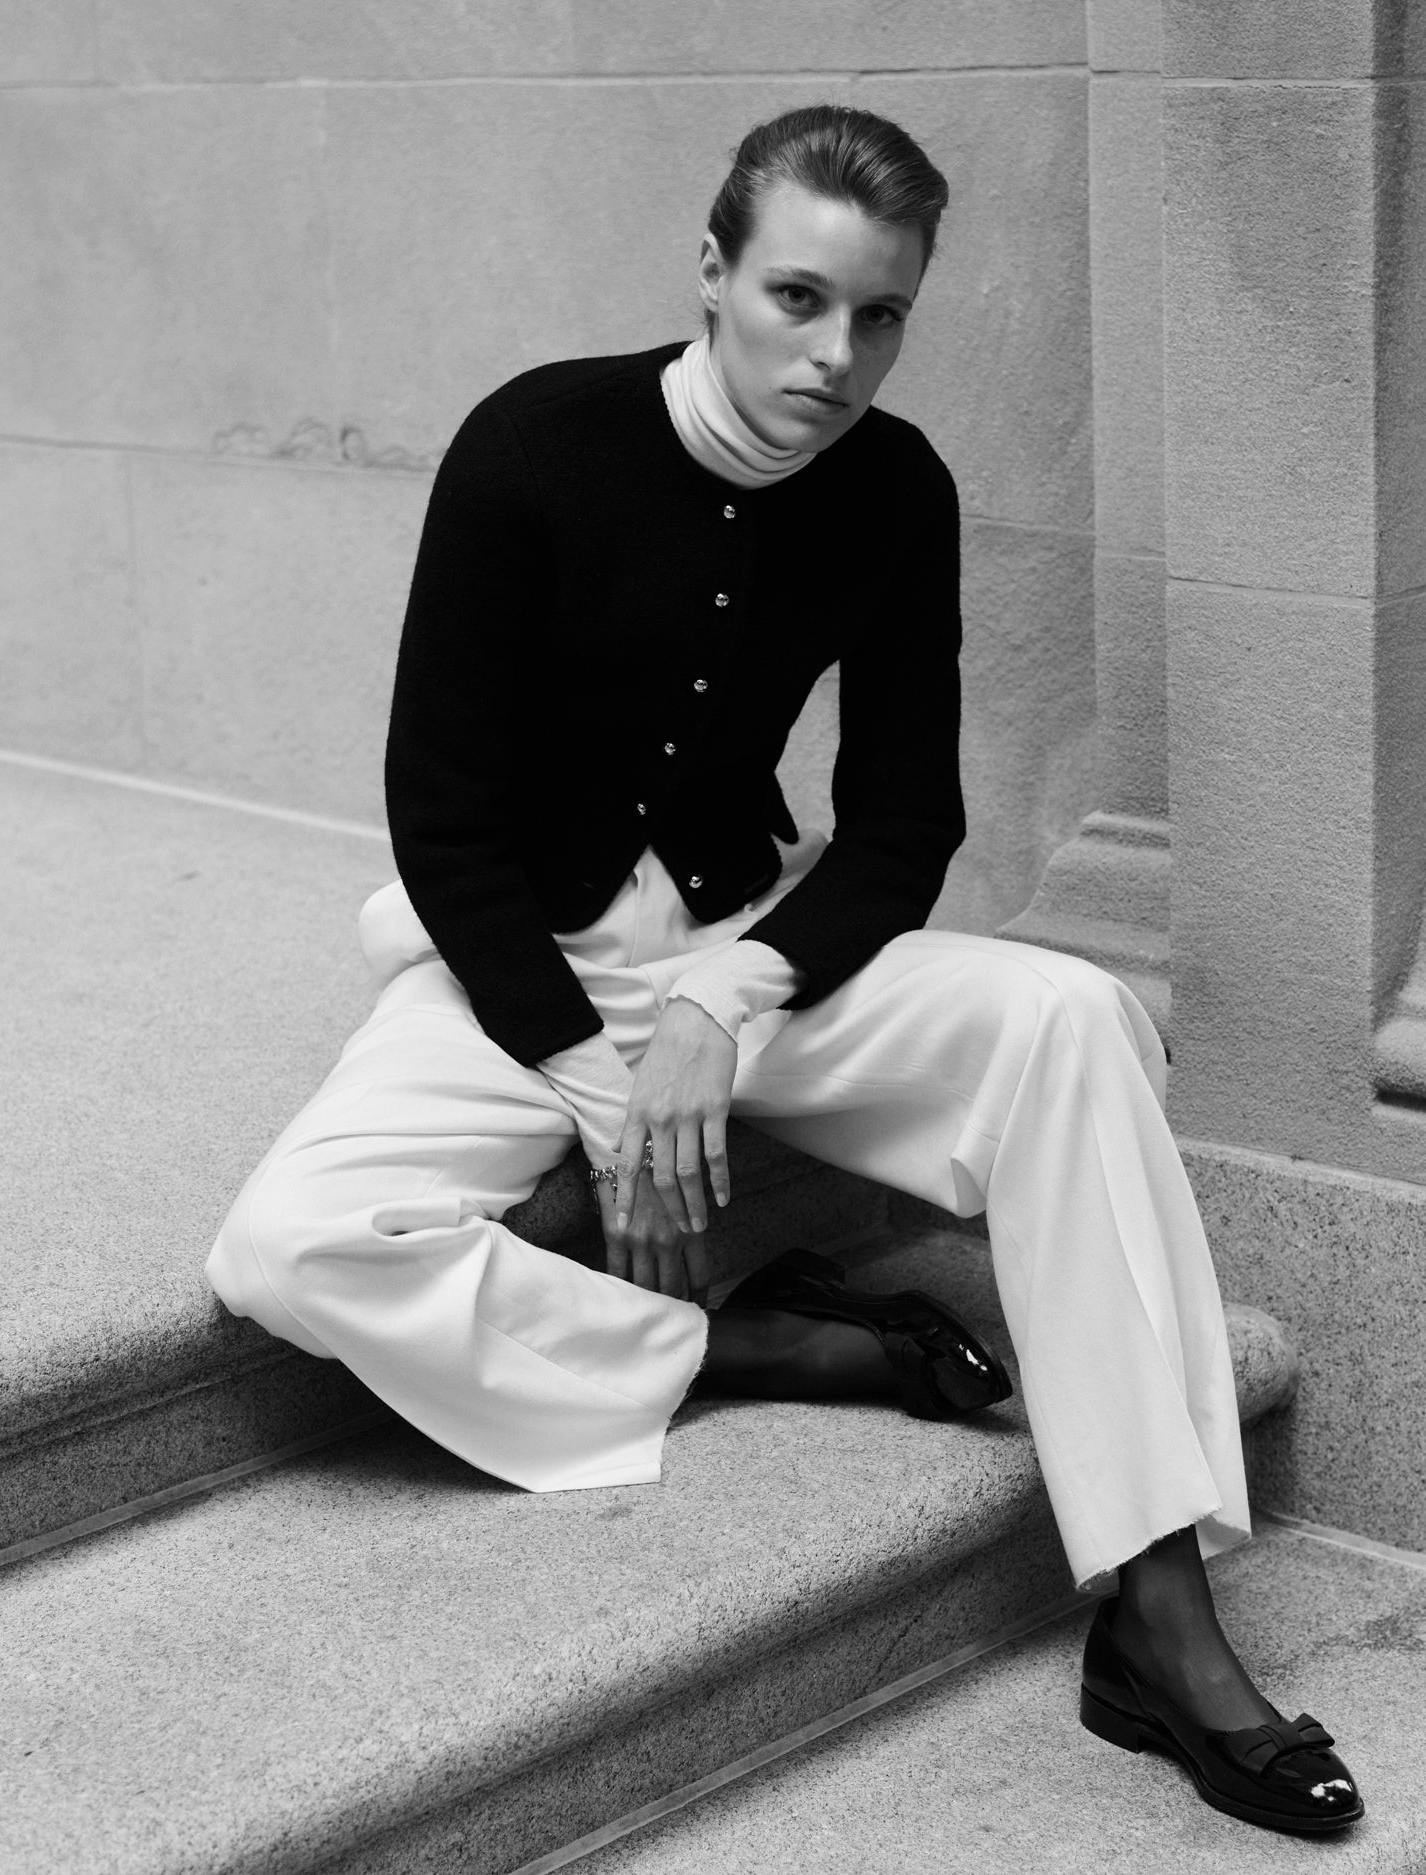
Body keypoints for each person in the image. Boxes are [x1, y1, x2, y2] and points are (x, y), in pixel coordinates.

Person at [206, 104, 1361, 1834]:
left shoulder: (896, 489)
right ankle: (761, 1347)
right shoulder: (533, 447)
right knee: (287, 1247)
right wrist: (591, 1076)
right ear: (714, 274)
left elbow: (905, 829)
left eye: (880, 315)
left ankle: (1156, 1603)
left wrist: (727, 999)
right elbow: (438, 822)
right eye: (800, 298)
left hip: (747, 957)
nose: (836, 356)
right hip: (520, 958)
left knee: (1071, 1015)